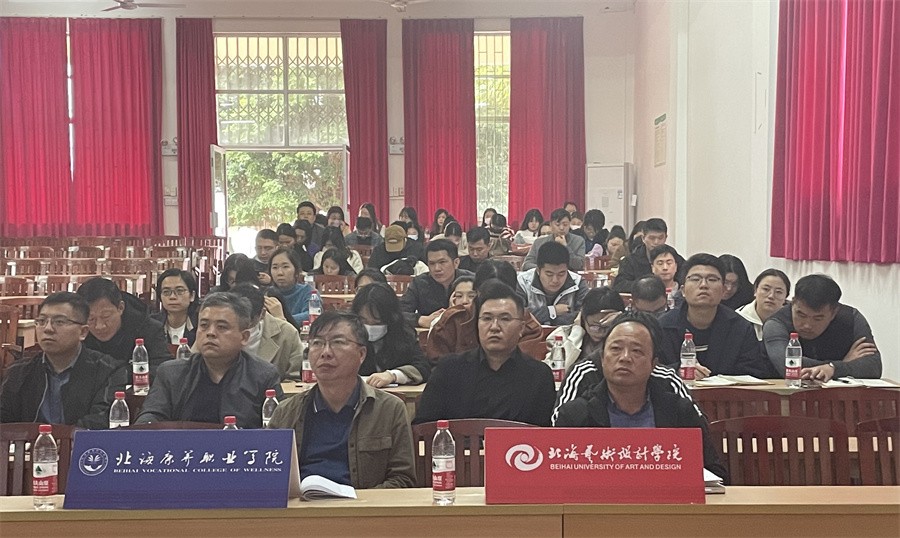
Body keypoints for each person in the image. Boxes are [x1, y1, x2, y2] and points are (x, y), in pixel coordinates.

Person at [554, 312, 728, 482]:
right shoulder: (576, 414)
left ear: (653, 364)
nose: (625, 358)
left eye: (637, 351)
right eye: (616, 349)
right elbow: (558, 477)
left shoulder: (679, 412)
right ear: (602, 358)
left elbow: (714, 472)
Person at [267, 311, 416, 489]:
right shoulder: (286, 412)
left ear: (361, 354)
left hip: (362, 504)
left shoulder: (389, 409)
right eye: (317, 343)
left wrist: (358, 502)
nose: (325, 352)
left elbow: (403, 480)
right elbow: (270, 476)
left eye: (337, 342)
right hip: (304, 504)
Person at [414, 281, 556, 426]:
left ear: (521, 328)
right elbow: (424, 427)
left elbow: (542, 434)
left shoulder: (539, 375)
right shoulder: (449, 369)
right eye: (487, 318)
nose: (494, 327)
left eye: (505, 319)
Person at [136, 293, 282, 428]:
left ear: (244, 337)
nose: (210, 333)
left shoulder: (263, 376)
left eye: (222, 327)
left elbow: (277, 428)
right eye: (204, 325)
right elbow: (151, 417)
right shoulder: (171, 373)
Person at [1, 292, 124, 429]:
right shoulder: (18, 372)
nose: (48, 329)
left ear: (83, 332)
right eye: (42, 321)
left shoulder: (108, 371)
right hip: (28, 443)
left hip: (80, 442)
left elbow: (100, 420)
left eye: (59, 322)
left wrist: (57, 438)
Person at [657, 254, 776, 378]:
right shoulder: (663, 327)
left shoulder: (740, 328)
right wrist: (677, 372)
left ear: (723, 290)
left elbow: (754, 372)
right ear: (683, 291)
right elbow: (653, 369)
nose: (703, 285)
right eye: (695, 279)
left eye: (712, 279)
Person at [763, 274, 881, 381]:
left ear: (834, 312)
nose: (807, 325)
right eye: (801, 315)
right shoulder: (776, 324)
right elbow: (790, 367)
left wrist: (833, 368)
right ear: (793, 303)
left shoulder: (851, 318)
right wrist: (840, 365)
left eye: (817, 318)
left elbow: (874, 367)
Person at [426, 260, 544, 359]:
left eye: (502, 294)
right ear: (476, 291)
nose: (494, 326)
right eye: (489, 294)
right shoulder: (452, 321)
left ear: (513, 292)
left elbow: (523, 367)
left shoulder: (528, 326)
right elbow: (438, 367)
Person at [76, 277, 171, 382]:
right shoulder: (77, 332)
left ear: (120, 308)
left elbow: (163, 370)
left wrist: (119, 373)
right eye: (91, 319)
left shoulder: (149, 328)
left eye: (106, 316)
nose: (99, 326)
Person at [352, 283, 431, 387]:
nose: (370, 327)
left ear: (392, 318)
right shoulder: (347, 336)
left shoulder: (404, 335)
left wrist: (393, 375)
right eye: (363, 321)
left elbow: (423, 368)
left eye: (378, 322)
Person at [229, 284, 303, 380]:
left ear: (262, 314)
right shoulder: (214, 332)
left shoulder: (287, 333)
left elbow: (295, 379)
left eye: (248, 321)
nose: (241, 325)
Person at [400, 239, 474, 328]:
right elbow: (398, 313)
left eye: (442, 262)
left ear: (456, 263)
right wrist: (421, 320)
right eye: (432, 263)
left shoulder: (472, 281)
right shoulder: (419, 283)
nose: (437, 268)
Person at [545, 287, 625, 368]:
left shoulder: (626, 339)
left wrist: (622, 323)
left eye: (606, 327)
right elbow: (556, 370)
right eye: (594, 326)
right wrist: (576, 334)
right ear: (583, 317)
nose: (600, 333)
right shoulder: (561, 336)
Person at [516, 241, 589, 326]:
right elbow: (518, 316)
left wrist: (544, 317)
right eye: (549, 274)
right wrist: (552, 311)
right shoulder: (522, 282)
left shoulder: (578, 283)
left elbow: (586, 315)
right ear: (538, 270)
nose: (555, 280)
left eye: (561, 274)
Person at [614, 218, 684, 293]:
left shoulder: (673, 256)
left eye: (660, 238)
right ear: (643, 238)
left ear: (666, 237)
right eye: (652, 238)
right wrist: (646, 285)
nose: (656, 242)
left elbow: (685, 277)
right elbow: (620, 285)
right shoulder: (630, 261)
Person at [737, 269, 791, 340]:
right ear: (755, 290)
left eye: (778, 292)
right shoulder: (738, 318)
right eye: (766, 289)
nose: (771, 296)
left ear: (785, 297)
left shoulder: (791, 321)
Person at [152, 269, 199, 346]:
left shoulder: (201, 324)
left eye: (179, 291)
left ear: (192, 296)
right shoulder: (151, 326)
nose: (172, 297)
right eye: (166, 292)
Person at [268, 247, 314, 324]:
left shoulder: (307, 291)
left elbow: (311, 315)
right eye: (275, 267)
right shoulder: (267, 293)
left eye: (285, 267)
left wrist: (281, 318)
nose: (280, 273)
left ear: (296, 270)